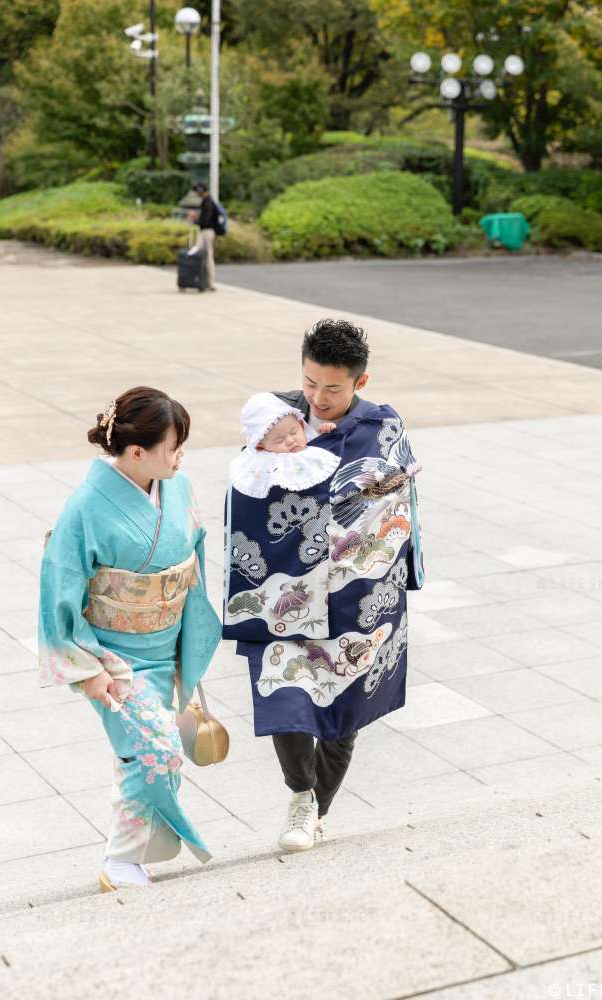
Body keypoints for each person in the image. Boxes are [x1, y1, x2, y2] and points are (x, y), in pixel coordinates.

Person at [223, 319, 424, 853]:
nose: (317, 397)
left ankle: (317, 810)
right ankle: (299, 795)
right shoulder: (277, 416)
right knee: (284, 692)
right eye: (310, 383)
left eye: (332, 388)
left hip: (360, 594)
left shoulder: (383, 426)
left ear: (360, 381)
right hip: (283, 589)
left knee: (342, 714)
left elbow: (401, 505)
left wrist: (401, 563)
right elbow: (245, 489)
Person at [39, 387, 222, 891]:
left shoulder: (175, 486)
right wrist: (87, 669)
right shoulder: (85, 507)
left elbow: (192, 554)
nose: (180, 456)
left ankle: (131, 857)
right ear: (136, 451)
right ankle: (120, 861)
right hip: (112, 656)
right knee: (155, 748)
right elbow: (60, 586)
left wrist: (191, 635)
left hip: (165, 647)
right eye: (173, 446)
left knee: (146, 752)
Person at [228, 391, 340, 499]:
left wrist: (325, 432)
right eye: (279, 440)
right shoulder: (264, 460)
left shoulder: (308, 437)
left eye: (294, 432)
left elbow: (320, 444)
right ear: (260, 446)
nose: (290, 440)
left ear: (301, 425)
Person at [192, 180, 217, 292]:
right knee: (203, 255)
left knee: (206, 256)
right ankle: (203, 281)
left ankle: (210, 283)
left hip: (206, 232)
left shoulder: (208, 202)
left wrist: (195, 220)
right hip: (205, 232)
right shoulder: (207, 201)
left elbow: (205, 220)